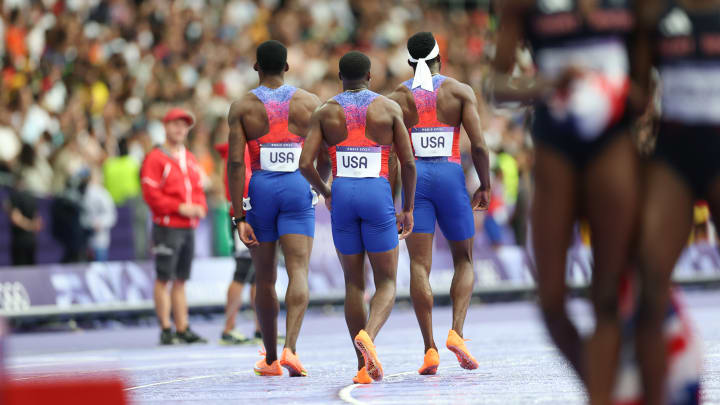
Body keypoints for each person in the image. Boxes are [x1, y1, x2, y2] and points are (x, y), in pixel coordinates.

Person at [489, 1, 639, 404]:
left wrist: (615, 93)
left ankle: (604, 396)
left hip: (613, 143)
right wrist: (548, 85)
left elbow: (645, 77)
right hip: (556, 150)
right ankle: (604, 391)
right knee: (552, 301)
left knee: (608, 296)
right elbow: (497, 87)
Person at [299, 51, 416, 384]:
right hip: (376, 194)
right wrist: (406, 208)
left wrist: (326, 192)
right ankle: (369, 336)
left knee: (353, 283)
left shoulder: (324, 111)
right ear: (369, 76)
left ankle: (362, 366)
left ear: (340, 77)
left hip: (344, 195)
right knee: (388, 282)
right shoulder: (389, 108)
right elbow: (407, 164)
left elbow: (305, 164)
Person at [387, 31, 490, 375]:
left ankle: (429, 349)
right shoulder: (459, 92)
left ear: (409, 64)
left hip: (416, 181)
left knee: (419, 264)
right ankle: (457, 333)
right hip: (449, 176)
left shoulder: (398, 97)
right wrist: (485, 185)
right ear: (439, 60)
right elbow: (478, 146)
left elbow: (390, 159)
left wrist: (394, 201)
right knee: (465, 259)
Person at [632, 1, 715, 403]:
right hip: (674, 149)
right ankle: (659, 391)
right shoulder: (655, 11)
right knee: (648, 278)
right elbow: (639, 95)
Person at [227, 40, 321, 376]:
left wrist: (238, 215)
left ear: (256, 67)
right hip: (297, 187)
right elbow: (324, 154)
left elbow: (236, 164)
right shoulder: (310, 102)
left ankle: (270, 359)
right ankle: (291, 349)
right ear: (286, 68)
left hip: (262, 189)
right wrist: (318, 185)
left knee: (264, 278)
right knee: (298, 271)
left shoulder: (242, 107)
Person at [141, 107, 207, 345]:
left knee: (180, 279)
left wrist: (200, 207)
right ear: (165, 127)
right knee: (164, 277)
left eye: (184, 125)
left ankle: (182, 327)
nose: (180, 129)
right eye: (175, 124)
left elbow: (198, 190)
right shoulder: (156, 158)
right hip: (168, 227)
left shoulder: (189, 158)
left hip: (188, 227)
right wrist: (179, 208)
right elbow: (150, 193)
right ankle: (166, 329)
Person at [215, 141, 260, 345]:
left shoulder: (246, 148)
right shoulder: (239, 150)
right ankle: (228, 328)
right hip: (242, 216)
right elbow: (243, 182)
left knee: (257, 275)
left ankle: (261, 329)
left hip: (250, 215)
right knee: (242, 272)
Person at [81, 170, 117, 262]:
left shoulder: (102, 194)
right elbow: (81, 215)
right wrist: (89, 224)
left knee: (99, 265)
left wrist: (100, 223)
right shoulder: (83, 193)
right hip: (85, 239)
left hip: (100, 239)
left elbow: (111, 215)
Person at [6, 175, 42, 266]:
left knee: (19, 268)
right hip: (32, 240)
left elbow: (15, 219)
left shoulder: (14, 197)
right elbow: (38, 222)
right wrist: (32, 226)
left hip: (20, 240)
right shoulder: (32, 197)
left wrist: (29, 226)